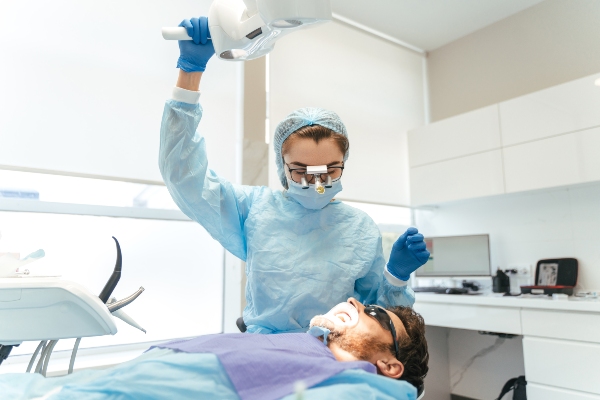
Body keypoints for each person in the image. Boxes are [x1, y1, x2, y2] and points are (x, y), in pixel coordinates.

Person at [159, 17, 431, 334]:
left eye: (329, 170)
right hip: (266, 348)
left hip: (335, 351)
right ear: (282, 166)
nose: (317, 183)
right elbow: (184, 176)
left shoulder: (360, 229)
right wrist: (189, 74)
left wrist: (396, 276)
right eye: (301, 171)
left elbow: (379, 323)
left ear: (344, 163)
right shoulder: (254, 209)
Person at [1, 298, 429, 400]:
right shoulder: (304, 345)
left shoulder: (362, 383)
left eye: (375, 312)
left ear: (390, 364)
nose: (355, 301)